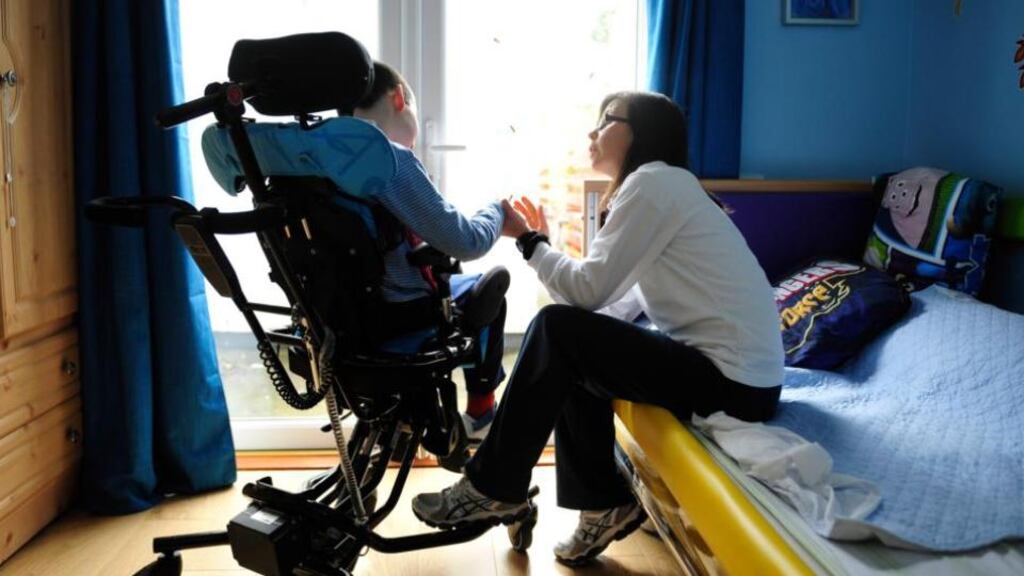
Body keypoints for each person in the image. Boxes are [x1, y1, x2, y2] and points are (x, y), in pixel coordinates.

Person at [411, 91, 785, 565]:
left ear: (640, 134)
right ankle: (602, 504)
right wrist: (540, 251)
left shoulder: (654, 184)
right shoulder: (664, 188)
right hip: (740, 382)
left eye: (607, 120)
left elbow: (586, 292)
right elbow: (602, 308)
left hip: (733, 384)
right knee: (569, 343)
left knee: (558, 329)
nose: (593, 132)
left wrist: (530, 241)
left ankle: (492, 486)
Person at [352, 62, 507, 441]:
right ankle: (481, 413)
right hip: (400, 314)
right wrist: (497, 212)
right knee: (490, 291)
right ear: (399, 98)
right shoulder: (391, 161)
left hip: (338, 317)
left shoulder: (313, 165)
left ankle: (392, 417)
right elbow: (466, 241)